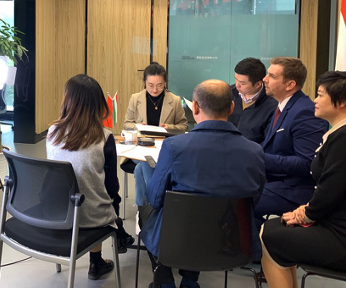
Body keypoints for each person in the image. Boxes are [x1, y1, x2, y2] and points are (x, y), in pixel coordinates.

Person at [141, 80, 265, 288]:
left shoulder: (174, 146)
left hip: (179, 239)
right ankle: (190, 282)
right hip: (232, 242)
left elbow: (155, 198)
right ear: (231, 107)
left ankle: (165, 280)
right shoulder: (255, 151)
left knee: (146, 209)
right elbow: (255, 200)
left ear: (195, 107)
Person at [261, 71, 346, 287]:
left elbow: (331, 190)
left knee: (269, 235)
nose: (315, 101)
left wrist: (306, 215)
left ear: (342, 101)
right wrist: (305, 211)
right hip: (340, 222)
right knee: (272, 228)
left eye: (320, 95)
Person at [46, 74, 134, 281]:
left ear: (67, 101)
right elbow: (111, 187)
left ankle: (106, 247)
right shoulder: (104, 137)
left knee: (86, 193)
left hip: (55, 213)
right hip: (91, 219)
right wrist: (115, 215)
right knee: (98, 201)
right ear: (97, 104)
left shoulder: (52, 132)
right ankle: (96, 262)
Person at [255, 58, 329, 227]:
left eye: (272, 76)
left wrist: (256, 156)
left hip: (296, 189)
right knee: (233, 196)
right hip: (276, 183)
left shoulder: (305, 112)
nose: (265, 79)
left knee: (239, 201)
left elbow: (307, 163)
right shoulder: (283, 107)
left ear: (290, 85)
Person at [123, 62, 188, 206]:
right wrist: (138, 126)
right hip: (140, 148)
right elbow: (127, 123)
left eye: (159, 85)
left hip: (164, 148)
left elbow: (183, 127)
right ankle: (156, 202)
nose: (154, 90)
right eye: (150, 85)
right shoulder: (135, 98)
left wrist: (169, 127)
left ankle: (143, 208)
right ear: (144, 82)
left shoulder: (175, 100)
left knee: (141, 168)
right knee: (147, 160)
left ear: (165, 83)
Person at [229, 57, 278, 144]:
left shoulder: (273, 105)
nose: (237, 85)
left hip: (252, 151)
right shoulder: (228, 93)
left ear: (258, 84)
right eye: (236, 79)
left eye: (242, 83)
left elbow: (268, 142)